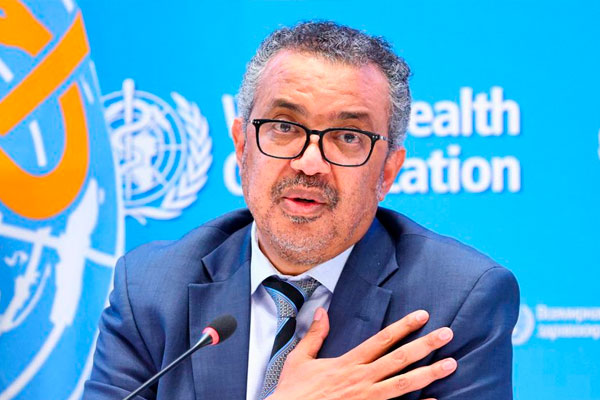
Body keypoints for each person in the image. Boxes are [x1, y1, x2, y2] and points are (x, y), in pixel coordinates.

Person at [83, 22, 519, 400]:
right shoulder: (151, 289)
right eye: (284, 127)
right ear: (241, 146)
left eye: (348, 137)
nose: (310, 163)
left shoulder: (457, 300)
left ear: (388, 171)